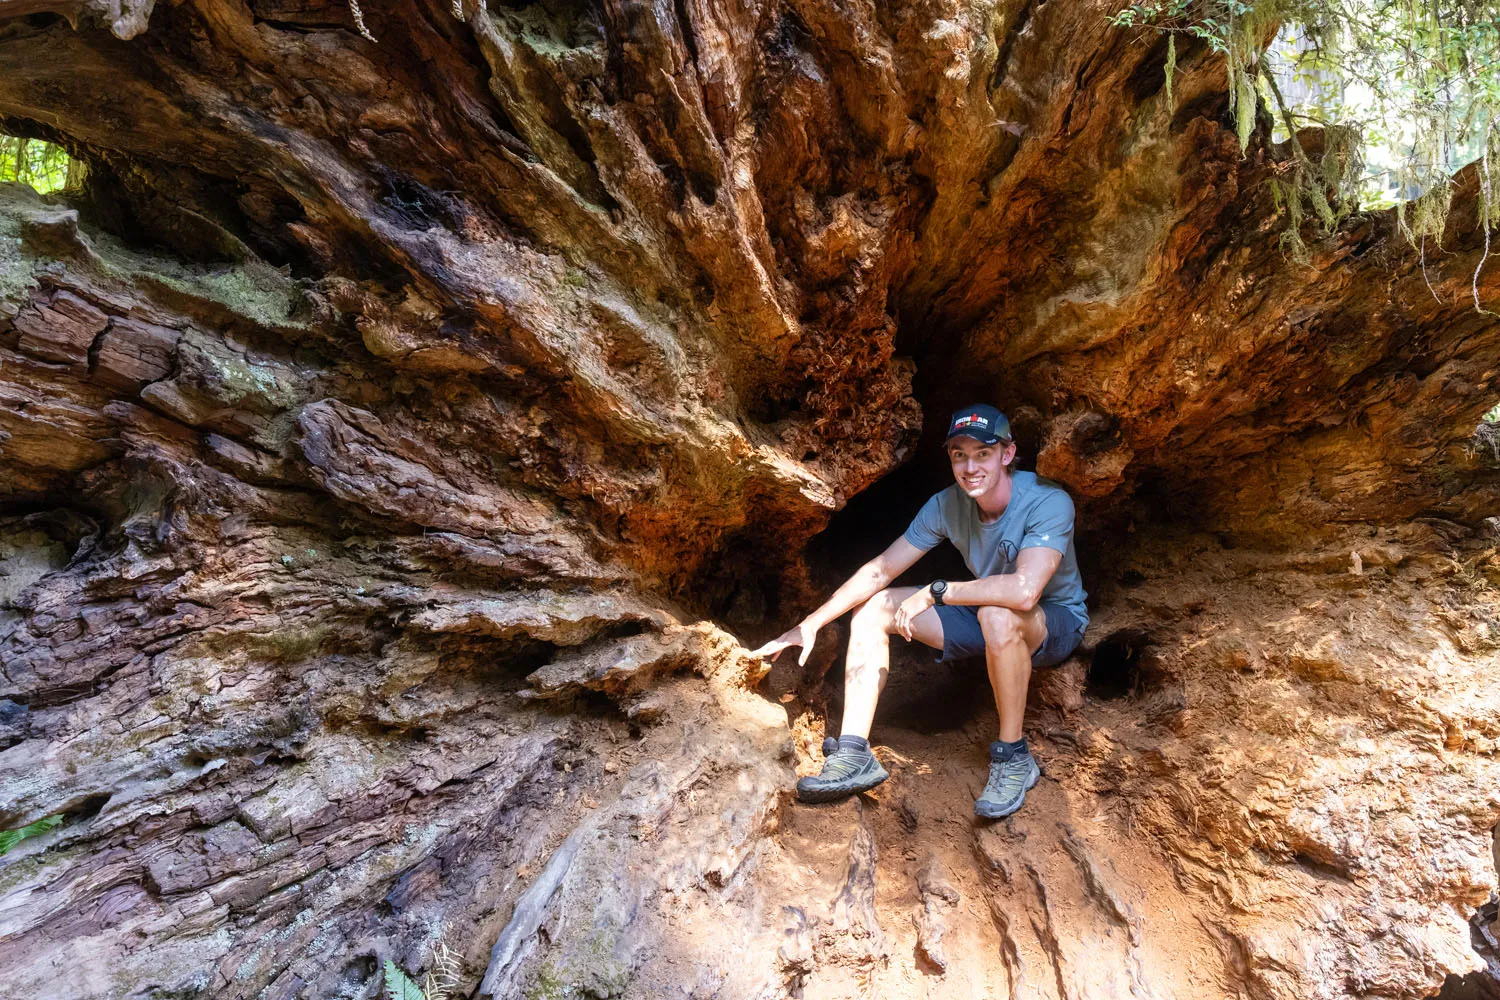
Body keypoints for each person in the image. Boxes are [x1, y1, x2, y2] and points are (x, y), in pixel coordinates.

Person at [753, 404, 1088, 818]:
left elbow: (1024, 592)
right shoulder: (947, 505)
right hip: (985, 612)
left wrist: (936, 591)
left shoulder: (1048, 501)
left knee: (998, 615)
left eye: (983, 453)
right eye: (959, 455)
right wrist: (812, 622)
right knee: (876, 609)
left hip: (1052, 619)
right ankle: (853, 753)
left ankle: (1013, 756)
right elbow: (881, 570)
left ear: (1007, 454)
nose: (970, 467)